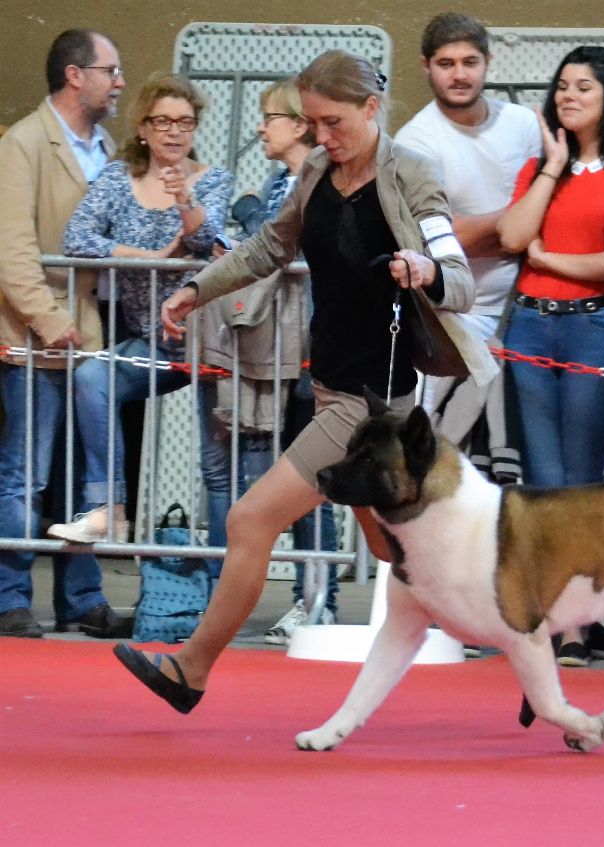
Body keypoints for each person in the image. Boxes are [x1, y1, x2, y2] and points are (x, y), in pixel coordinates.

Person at [112, 49, 485, 712]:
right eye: (313, 123)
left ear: (371, 108)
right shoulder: (315, 169)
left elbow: (457, 279)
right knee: (395, 549)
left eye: (334, 121)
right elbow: (268, 247)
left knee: (250, 518)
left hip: (372, 406)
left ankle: (190, 670)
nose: (322, 135)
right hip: (332, 388)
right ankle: (517, 635)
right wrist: (197, 289)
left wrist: (426, 271)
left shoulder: (412, 174)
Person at [496, 45, 604, 667]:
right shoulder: (540, 167)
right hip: (531, 328)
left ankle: (580, 619)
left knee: (585, 479)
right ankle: (561, 621)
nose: (569, 95)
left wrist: (548, 258)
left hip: (595, 328)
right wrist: (552, 168)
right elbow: (513, 237)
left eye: (584, 86)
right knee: (544, 477)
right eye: (563, 85)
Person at [49, 74, 235, 566]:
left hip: (209, 342)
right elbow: (77, 238)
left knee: (216, 467)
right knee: (92, 376)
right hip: (153, 341)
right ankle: (109, 509)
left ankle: (222, 587)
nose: (174, 131)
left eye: (185, 122)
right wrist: (146, 257)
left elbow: (206, 241)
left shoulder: (212, 179)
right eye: (163, 121)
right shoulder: (117, 179)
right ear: (143, 128)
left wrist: (185, 200)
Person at [0, 29, 130, 638]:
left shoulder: (107, 147)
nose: (119, 82)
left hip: (91, 339)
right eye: (110, 71)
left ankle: (81, 598)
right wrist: (50, 323)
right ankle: (10, 597)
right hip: (36, 340)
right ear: (76, 75)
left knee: (85, 478)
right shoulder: (23, 144)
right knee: (26, 474)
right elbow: (12, 251)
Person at [201, 78, 339, 643]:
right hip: (272, 350)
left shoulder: (320, 177)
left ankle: (318, 600)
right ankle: (298, 598)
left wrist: (252, 213)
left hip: (308, 351)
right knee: (283, 476)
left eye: (270, 116)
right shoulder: (276, 180)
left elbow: (288, 241)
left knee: (312, 478)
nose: (261, 127)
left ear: (300, 124)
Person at [395, 12, 540, 486]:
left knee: (517, 461)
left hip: (524, 311)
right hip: (449, 315)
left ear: (488, 62)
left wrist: (504, 230)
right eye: (446, 63)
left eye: (469, 62)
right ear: (426, 66)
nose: (459, 74)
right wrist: (511, 224)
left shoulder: (523, 124)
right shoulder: (415, 141)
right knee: (433, 457)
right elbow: (432, 238)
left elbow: (548, 212)